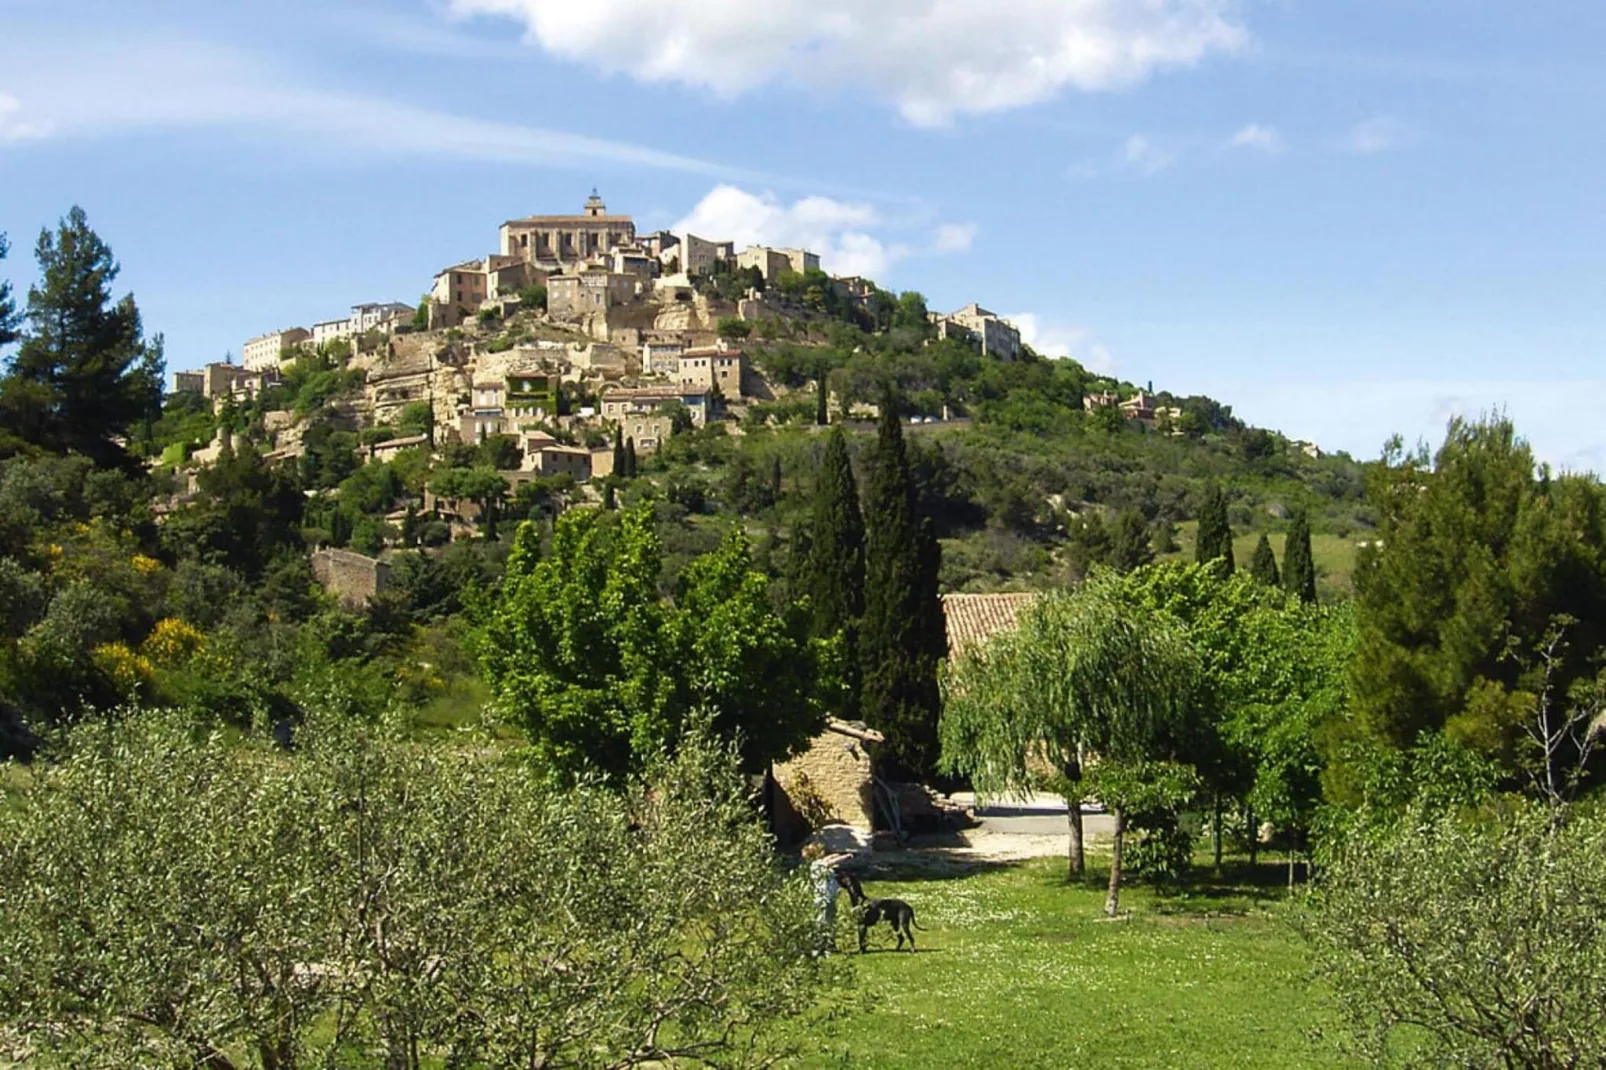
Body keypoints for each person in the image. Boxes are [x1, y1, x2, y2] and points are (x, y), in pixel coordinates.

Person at [802, 844, 854, 955]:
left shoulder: (820, 863)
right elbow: (829, 862)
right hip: (823, 898)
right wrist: (846, 857)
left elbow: (829, 858)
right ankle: (819, 944)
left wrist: (838, 854)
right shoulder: (817, 865)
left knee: (831, 921)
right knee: (822, 921)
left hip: (830, 897)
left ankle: (830, 944)